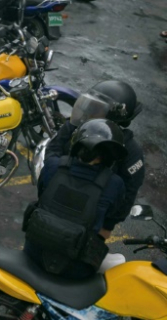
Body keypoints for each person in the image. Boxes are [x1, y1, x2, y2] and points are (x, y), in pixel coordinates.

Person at [23, 119, 127, 279]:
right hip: (76, 270)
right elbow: (110, 217)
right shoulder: (114, 184)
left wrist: (72, 121)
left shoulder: (53, 165)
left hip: (33, 253)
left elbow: (42, 193)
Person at [45, 80, 144, 239]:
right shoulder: (78, 127)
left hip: (91, 220)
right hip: (57, 202)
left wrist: (107, 225)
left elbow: (127, 196)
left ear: (114, 117)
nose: (88, 111)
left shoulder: (130, 152)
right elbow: (53, 148)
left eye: (96, 109)